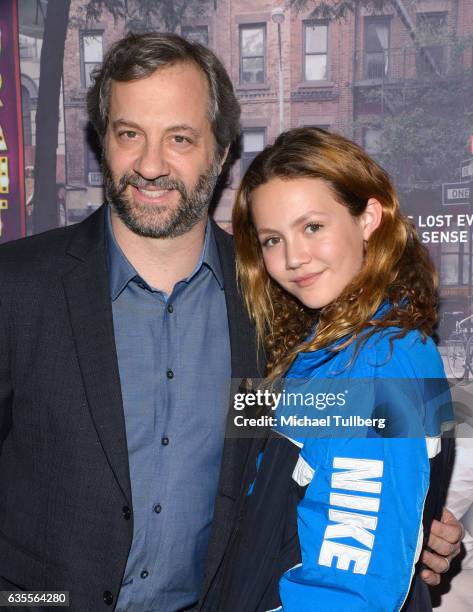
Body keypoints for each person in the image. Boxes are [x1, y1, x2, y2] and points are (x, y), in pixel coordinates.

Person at [0, 34, 462, 611]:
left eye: (180, 138)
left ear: (220, 154)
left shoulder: (289, 311)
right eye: (129, 134)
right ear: (103, 144)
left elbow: (357, 460)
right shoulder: (14, 287)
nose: (149, 164)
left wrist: (414, 522)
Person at [220, 127, 459, 611]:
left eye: (312, 227)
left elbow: (349, 590)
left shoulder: (377, 363)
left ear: (369, 218)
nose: (292, 258)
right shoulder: (322, 346)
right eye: (272, 239)